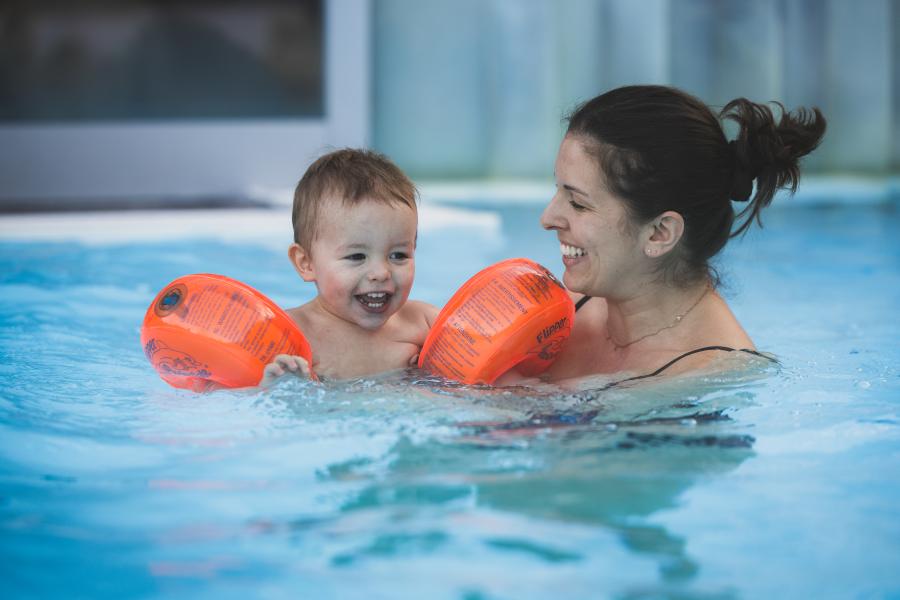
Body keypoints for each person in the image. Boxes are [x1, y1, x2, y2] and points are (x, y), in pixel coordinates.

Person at [539, 85, 826, 384]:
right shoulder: (562, 309)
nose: (547, 218)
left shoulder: (710, 375)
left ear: (659, 233)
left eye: (578, 203)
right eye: (558, 189)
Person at [260, 148, 438, 384]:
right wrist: (278, 386)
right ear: (306, 263)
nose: (381, 273)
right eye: (356, 257)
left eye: (398, 255)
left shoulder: (424, 323)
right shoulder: (289, 336)